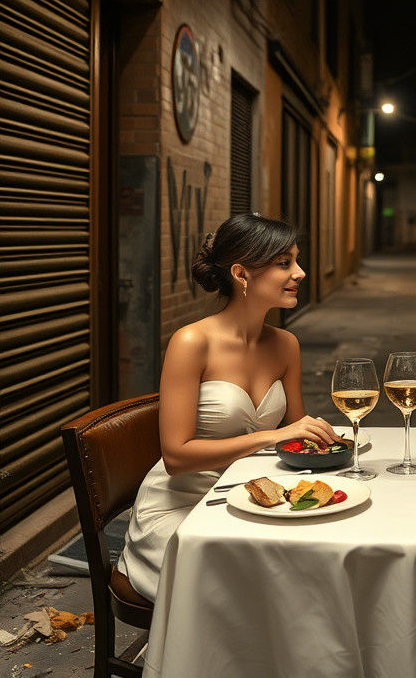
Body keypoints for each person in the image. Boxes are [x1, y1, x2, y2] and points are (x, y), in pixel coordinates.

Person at [116, 213, 341, 601]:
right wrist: (278, 434)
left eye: (296, 260)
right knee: (262, 580)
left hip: (256, 497)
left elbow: (295, 439)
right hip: (182, 505)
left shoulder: (287, 345)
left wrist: (324, 442)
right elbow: (176, 456)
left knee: (319, 558)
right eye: (284, 263)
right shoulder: (191, 342)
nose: (301, 272)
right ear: (241, 274)